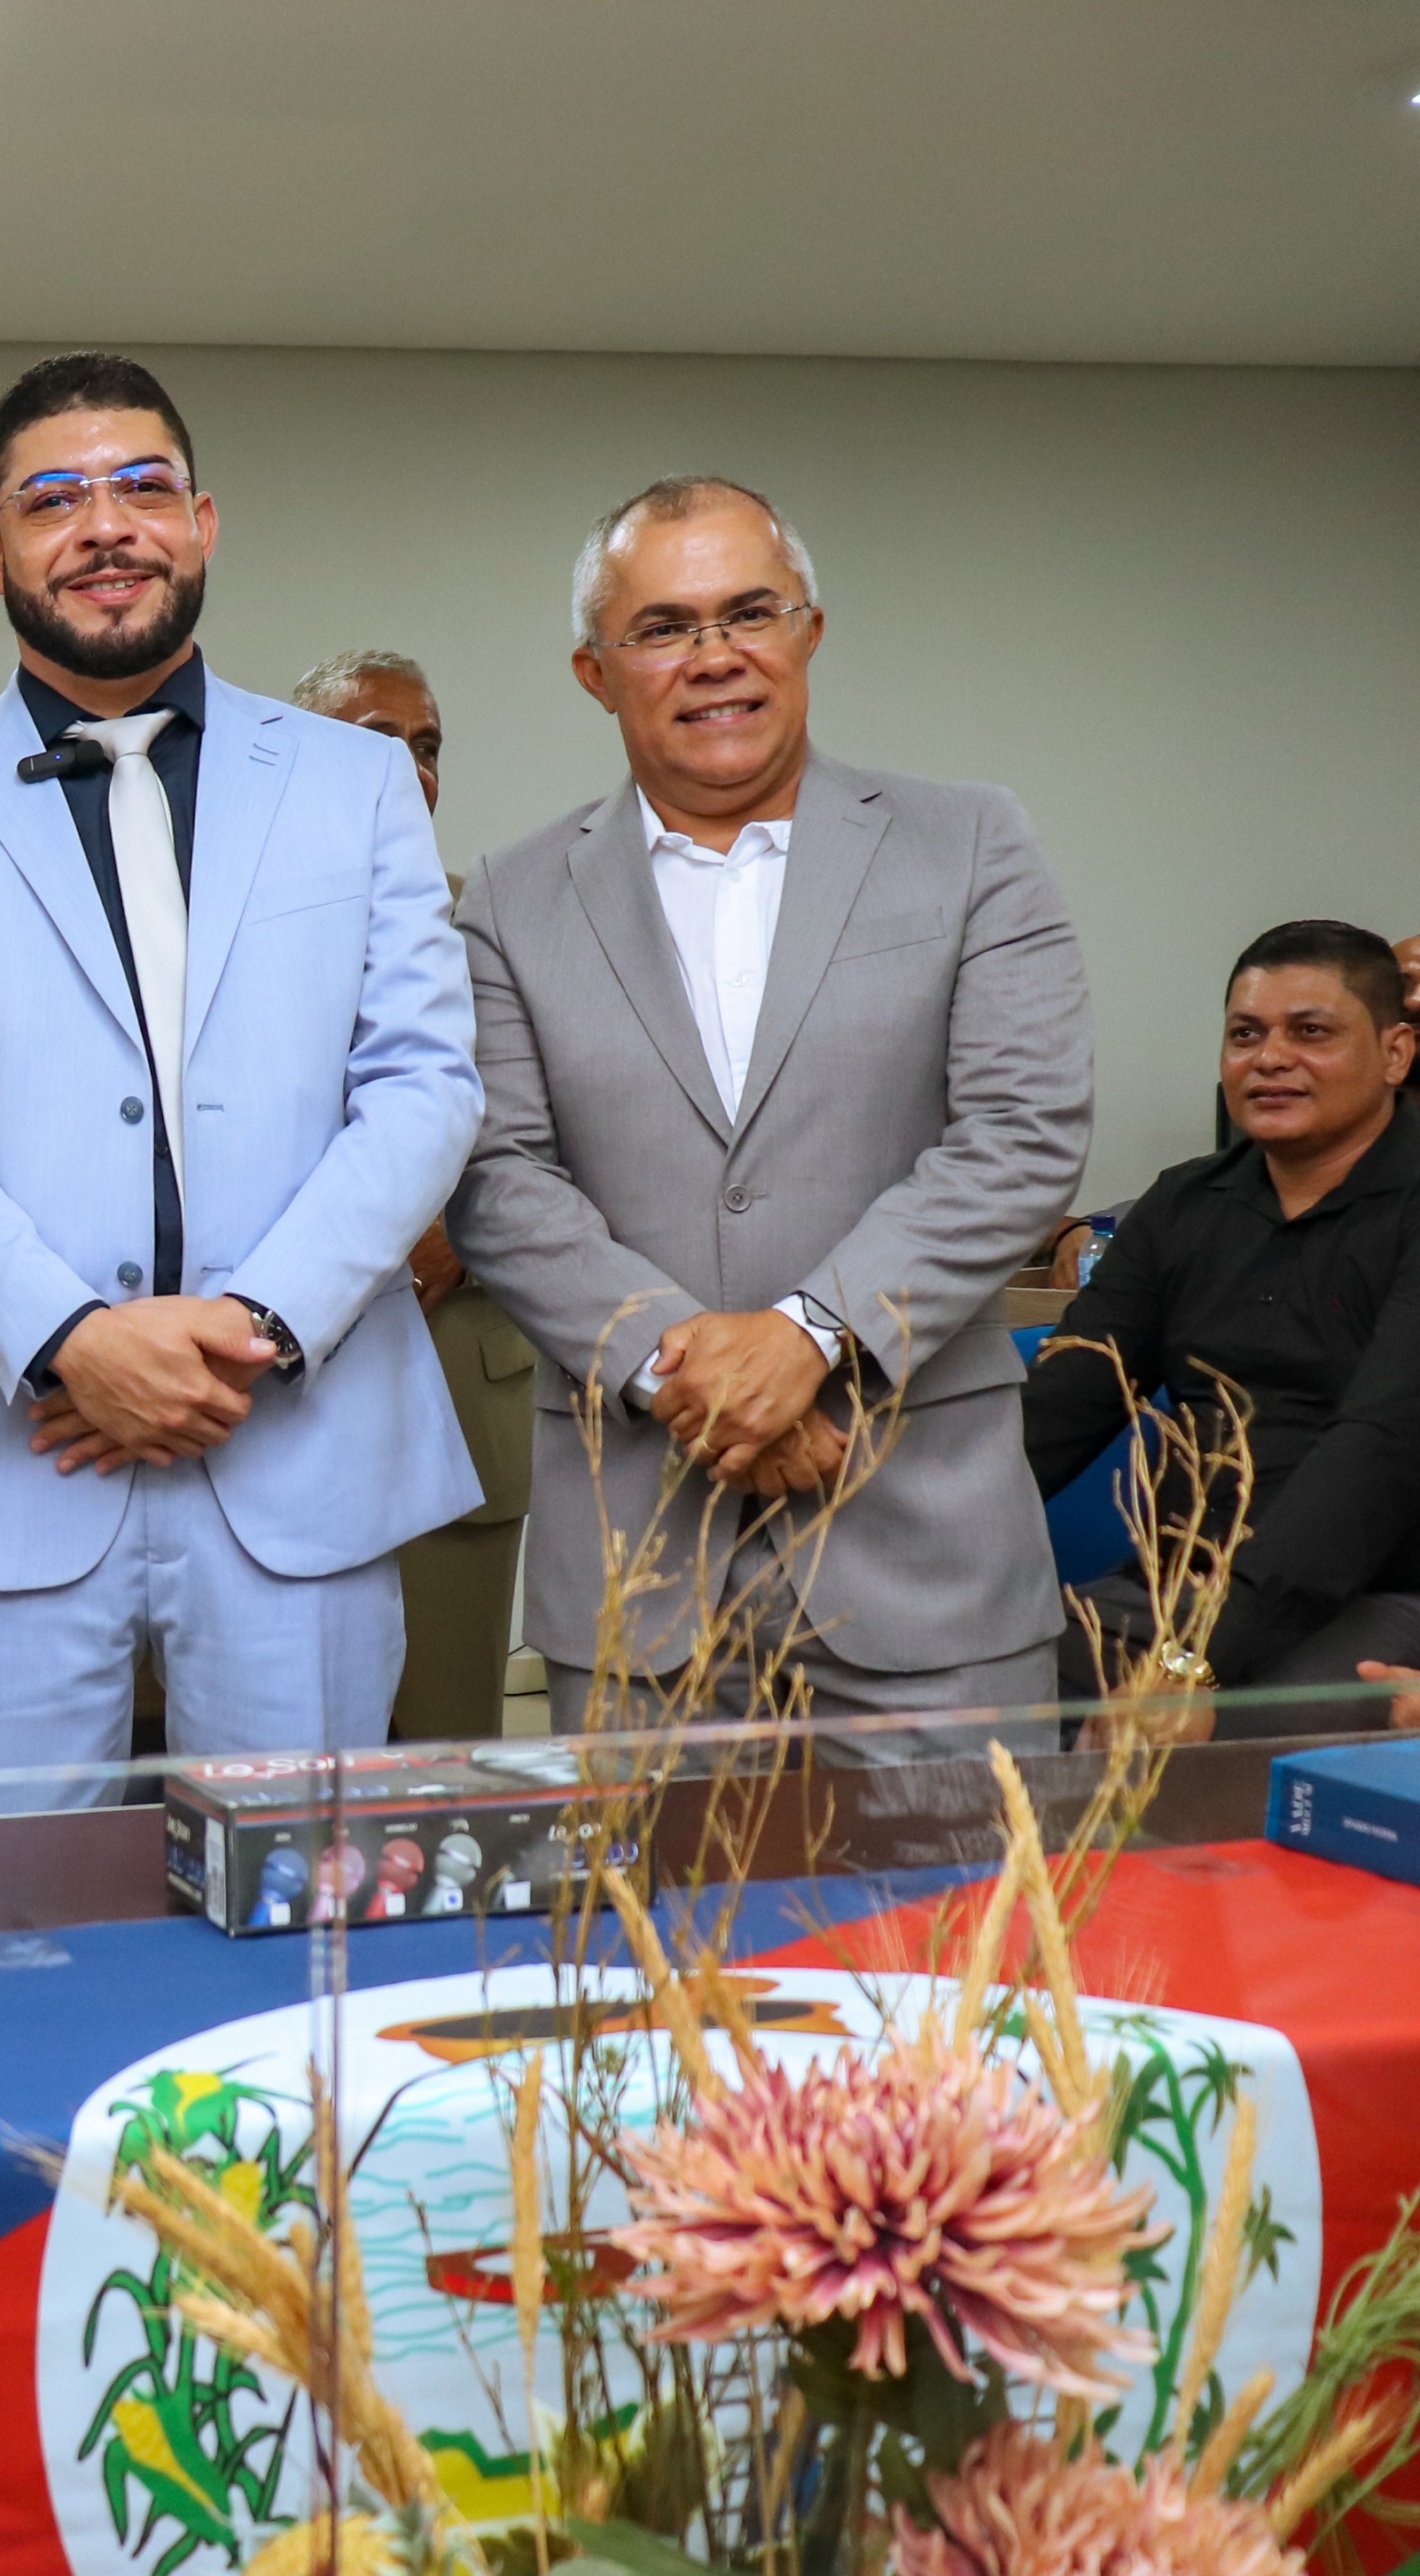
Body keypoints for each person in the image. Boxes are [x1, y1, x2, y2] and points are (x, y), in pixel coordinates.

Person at [0, 353, 480, 1814]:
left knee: (304, 1908)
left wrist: (252, 1328)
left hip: (300, 1453)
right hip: (5, 1466)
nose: (104, 525)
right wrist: (70, 1340)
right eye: (52, 499)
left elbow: (423, 1083)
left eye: (141, 488)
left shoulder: (356, 783)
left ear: (202, 522)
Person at [449, 475, 1092, 1729]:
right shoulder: (508, 900)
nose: (715, 656)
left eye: (750, 612)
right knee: (640, 1880)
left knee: (961, 1876)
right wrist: (689, 1374)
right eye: (663, 627)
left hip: (926, 1562)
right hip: (638, 1578)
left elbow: (1021, 1135)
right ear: (594, 672)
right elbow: (497, 1178)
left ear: (809, 630)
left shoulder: (971, 845)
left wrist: (807, 1335)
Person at [1027, 921, 1420, 1724]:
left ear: (1395, 1053)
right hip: (1176, 1588)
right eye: (1246, 1034)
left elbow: (1375, 1455)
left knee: (1245, 1727)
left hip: (1378, 1594)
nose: (1269, 1058)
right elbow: (1063, 1405)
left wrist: (1196, 1664)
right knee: (961, 1684)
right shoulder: (1183, 1202)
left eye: (1310, 1032)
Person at [287, 654, 530, 1739]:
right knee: (290, 1760)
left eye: (425, 746)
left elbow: (566, 1133)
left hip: (455, 1371)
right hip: (273, 1398)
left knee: (446, 1749)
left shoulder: (497, 926)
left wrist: (456, 1233)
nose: (408, 768)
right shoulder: (217, 917)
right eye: (375, 740)